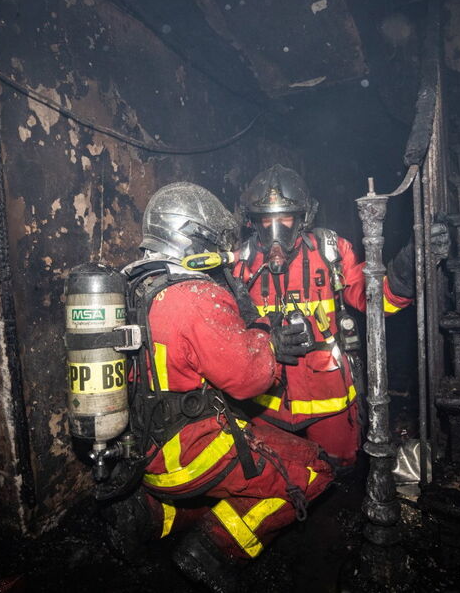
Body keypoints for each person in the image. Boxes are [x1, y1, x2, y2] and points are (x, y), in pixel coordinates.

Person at [104, 181, 334, 593]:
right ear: (196, 236)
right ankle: (213, 550)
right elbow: (249, 379)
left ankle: (147, 516)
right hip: (190, 456)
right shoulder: (194, 294)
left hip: (141, 455)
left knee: (257, 444)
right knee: (311, 468)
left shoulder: (133, 286)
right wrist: (270, 340)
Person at [232, 164, 450, 474]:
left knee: (338, 473)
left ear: (304, 217)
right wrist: (264, 343)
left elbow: (377, 299)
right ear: (253, 222)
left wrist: (410, 267)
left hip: (330, 401)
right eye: (266, 220)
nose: (275, 230)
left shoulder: (330, 252)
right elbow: (228, 336)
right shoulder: (240, 265)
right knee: (277, 477)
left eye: (286, 218)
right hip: (268, 406)